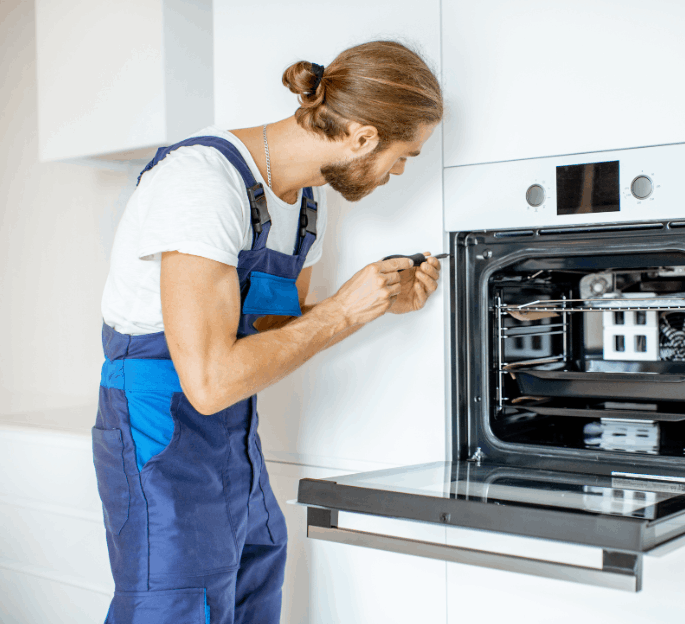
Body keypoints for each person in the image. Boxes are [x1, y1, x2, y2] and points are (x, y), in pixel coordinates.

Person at [92, 41, 443, 623]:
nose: (399, 171)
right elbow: (207, 380)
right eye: (404, 154)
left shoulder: (308, 205)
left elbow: (275, 332)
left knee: (255, 590)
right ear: (361, 135)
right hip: (160, 436)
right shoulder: (203, 184)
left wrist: (375, 302)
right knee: (181, 607)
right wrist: (344, 313)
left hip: (233, 441)